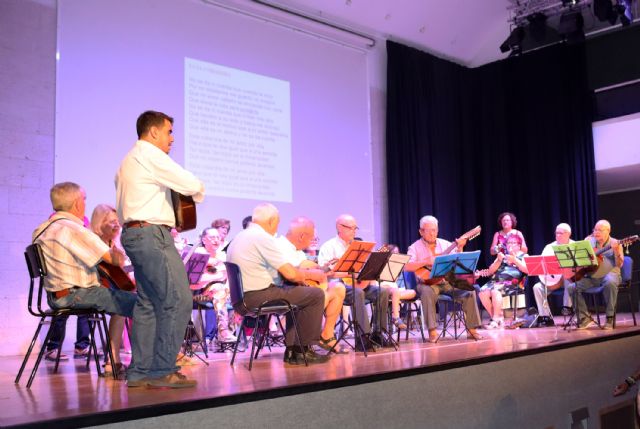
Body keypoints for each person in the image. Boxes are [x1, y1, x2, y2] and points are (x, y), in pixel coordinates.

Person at [115, 110, 205, 388]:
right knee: (179, 299)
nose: (172, 139)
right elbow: (193, 185)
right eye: (169, 132)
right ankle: (162, 370)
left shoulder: (129, 159)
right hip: (152, 234)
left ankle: (139, 372)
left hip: (134, 234)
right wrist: (196, 191)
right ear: (153, 132)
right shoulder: (150, 154)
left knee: (148, 304)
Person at [33, 183, 136, 369]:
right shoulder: (73, 229)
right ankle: (146, 365)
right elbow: (115, 261)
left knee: (122, 302)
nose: (85, 204)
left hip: (55, 296)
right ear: (77, 203)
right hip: (77, 294)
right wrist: (122, 244)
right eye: (84, 199)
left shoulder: (40, 230)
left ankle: (113, 362)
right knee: (143, 303)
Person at [226, 203, 329, 365]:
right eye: (278, 223)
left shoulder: (240, 236)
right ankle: (302, 351)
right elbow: (290, 273)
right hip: (257, 296)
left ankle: (293, 351)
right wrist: (310, 274)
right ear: (272, 221)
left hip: (242, 299)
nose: (277, 228)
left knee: (298, 294)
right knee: (315, 295)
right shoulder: (262, 238)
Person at [318, 214, 392, 350]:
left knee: (382, 292)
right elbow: (325, 273)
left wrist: (370, 269)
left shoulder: (358, 247)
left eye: (355, 228)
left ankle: (378, 333)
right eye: (350, 228)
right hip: (338, 288)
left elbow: (362, 270)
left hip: (356, 284)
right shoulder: (328, 247)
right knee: (358, 293)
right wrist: (348, 273)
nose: (354, 231)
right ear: (339, 227)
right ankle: (362, 338)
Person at [405, 215, 483, 342]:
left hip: (447, 281)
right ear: (421, 232)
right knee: (427, 292)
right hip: (426, 284)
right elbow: (407, 266)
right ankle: (432, 332)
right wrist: (426, 261)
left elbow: (458, 262)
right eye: (428, 230)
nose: (432, 233)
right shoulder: (414, 247)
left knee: (469, 291)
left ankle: (472, 330)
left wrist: (459, 247)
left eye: (434, 230)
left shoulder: (445, 244)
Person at [275, 217, 346, 351]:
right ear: (302, 236)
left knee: (338, 288)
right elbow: (291, 274)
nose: (312, 242)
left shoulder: (297, 250)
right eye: (311, 238)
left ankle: (327, 335)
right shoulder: (280, 247)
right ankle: (302, 341)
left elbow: (307, 269)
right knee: (319, 295)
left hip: (302, 288)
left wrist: (323, 269)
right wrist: (313, 273)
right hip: (286, 290)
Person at [90, 204, 132, 377]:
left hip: (110, 290)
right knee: (126, 305)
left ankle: (115, 360)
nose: (117, 225)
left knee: (130, 301)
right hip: (93, 291)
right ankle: (115, 360)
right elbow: (115, 265)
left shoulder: (112, 244)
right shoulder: (94, 242)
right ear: (100, 223)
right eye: (112, 222)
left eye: (118, 222)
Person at [566, 220, 623, 330]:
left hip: (610, 275)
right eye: (595, 230)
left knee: (610, 282)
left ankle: (610, 317)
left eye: (600, 230)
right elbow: (580, 259)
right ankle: (584, 318)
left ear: (608, 231)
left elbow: (619, 264)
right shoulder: (588, 241)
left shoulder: (616, 242)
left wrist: (616, 251)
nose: (596, 232)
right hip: (593, 277)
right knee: (572, 287)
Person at [191, 227, 237, 344]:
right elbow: (195, 281)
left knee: (240, 295)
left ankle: (229, 331)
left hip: (222, 290)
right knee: (219, 289)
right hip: (200, 294)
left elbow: (227, 276)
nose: (216, 240)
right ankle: (223, 331)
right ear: (204, 240)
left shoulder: (223, 255)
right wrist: (218, 276)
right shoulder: (199, 254)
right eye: (212, 237)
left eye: (217, 237)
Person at [478, 234, 529, 329]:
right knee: (482, 292)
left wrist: (515, 260)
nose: (510, 245)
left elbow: (526, 270)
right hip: (496, 281)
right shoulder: (502, 255)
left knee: (495, 291)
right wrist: (498, 260)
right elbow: (491, 271)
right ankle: (498, 318)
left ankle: (495, 320)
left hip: (512, 283)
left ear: (519, 245)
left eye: (513, 243)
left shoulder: (523, 256)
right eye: (508, 243)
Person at [531, 223, 574, 326]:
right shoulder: (549, 247)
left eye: (561, 233)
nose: (558, 235)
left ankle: (567, 307)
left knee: (568, 277)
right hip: (553, 280)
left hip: (569, 279)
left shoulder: (575, 245)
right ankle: (546, 316)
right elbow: (542, 265)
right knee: (537, 287)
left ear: (568, 234)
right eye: (556, 233)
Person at [379, 244, 414, 330]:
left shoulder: (397, 265)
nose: (397, 254)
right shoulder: (382, 263)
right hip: (384, 286)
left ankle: (395, 297)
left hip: (394, 288)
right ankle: (396, 317)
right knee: (395, 291)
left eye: (398, 252)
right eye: (394, 252)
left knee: (413, 292)